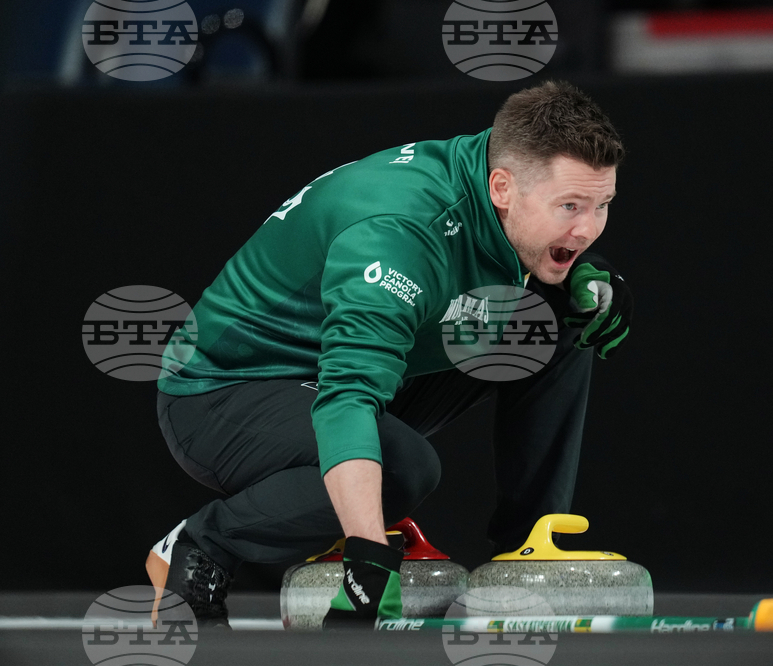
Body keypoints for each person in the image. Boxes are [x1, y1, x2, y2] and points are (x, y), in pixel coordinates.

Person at [149, 80, 633, 629]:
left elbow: (527, 260)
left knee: (561, 316)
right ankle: (198, 545)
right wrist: (368, 558)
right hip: (222, 392)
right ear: (502, 188)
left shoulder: (500, 164)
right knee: (402, 468)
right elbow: (346, 396)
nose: (588, 229)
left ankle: (526, 548)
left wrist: (577, 278)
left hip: (339, 371)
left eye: (602, 206)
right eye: (570, 206)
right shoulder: (398, 235)